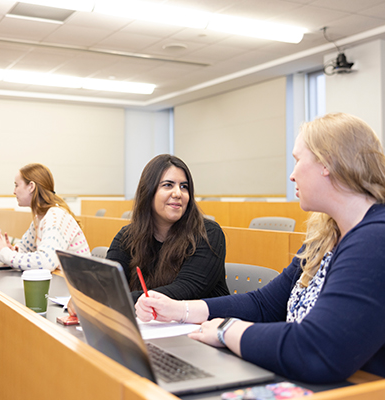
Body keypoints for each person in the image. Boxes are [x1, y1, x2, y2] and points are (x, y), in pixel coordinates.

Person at [136, 113, 385, 383]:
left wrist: (227, 331)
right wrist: (181, 310)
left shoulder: (375, 239)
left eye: (298, 161)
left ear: (327, 164)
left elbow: (317, 349)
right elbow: (265, 304)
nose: (292, 175)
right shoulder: (324, 237)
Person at [107, 154, 228, 304]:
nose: (178, 193)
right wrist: (89, 297)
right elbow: (109, 284)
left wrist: (115, 300)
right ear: (148, 192)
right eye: (168, 185)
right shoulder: (127, 236)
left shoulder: (208, 233)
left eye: (184, 187)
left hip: (201, 325)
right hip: (150, 323)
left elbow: (185, 289)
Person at [0, 163, 90, 270]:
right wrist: (12, 251)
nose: (14, 192)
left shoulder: (55, 216)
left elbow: (45, 262)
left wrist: (5, 254)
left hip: (78, 285)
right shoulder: (40, 217)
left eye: (16, 185)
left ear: (31, 187)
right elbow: (25, 249)